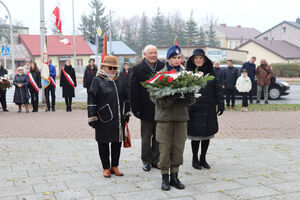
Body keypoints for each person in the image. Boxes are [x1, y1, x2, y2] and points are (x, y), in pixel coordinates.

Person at [154, 45, 195, 191]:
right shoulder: (160, 75)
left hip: (181, 117)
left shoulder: (187, 74)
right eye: (174, 58)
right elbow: (155, 98)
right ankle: (165, 177)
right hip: (164, 117)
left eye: (179, 58)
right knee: (165, 148)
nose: (177, 60)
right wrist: (170, 97)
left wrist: (190, 96)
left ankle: (175, 176)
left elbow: (192, 101)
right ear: (168, 59)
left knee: (178, 147)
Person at [88, 55, 130, 178]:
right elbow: (91, 100)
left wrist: (127, 112)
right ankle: (106, 167)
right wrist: (92, 117)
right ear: (103, 67)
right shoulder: (97, 80)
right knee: (103, 143)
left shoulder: (120, 79)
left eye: (114, 68)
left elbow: (126, 98)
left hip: (118, 118)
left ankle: (115, 166)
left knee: (117, 143)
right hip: (103, 118)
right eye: (110, 68)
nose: (112, 70)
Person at [186, 49, 224, 170]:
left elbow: (217, 89)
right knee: (195, 136)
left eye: (200, 58)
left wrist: (221, 103)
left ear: (204, 59)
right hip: (194, 109)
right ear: (193, 60)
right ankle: (194, 159)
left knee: (207, 135)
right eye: (196, 58)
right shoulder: (188, 73)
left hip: (209, 108)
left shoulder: (211, 73)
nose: (198, 60)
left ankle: (203, 158)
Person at [130, 45, 165, 172]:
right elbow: (133, 90)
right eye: (150, 53)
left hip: (161, 108)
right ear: (144, 54)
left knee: (158, 137)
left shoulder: (162, 67)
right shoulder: (138, 69)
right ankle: (146, 161)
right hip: (145, 109)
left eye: (155, 53)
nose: (153, 55)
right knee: (146, 138)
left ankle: (156, 160)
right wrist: (135, 109)